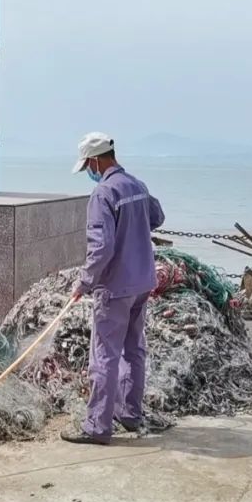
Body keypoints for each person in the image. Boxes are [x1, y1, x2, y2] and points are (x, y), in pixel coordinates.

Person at [61, 132, 165, 445]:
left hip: (115, 287)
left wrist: (84, 282)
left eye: (87, 167)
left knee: (104, 356)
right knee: (134, 350)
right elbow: (157, 217)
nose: (88, 174)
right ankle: (130, 414)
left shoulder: (103, 194)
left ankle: (97, 428)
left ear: (94, 160)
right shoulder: (137, 185)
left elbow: (101, 247)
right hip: (143, 283)